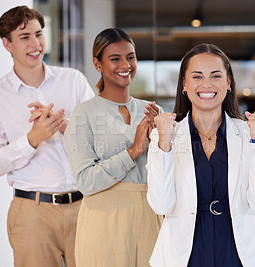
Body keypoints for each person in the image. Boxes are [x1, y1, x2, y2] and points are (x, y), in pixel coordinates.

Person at [146, 43, 255, 267]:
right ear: (185, 85)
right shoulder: (165, 134)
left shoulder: (250, 133)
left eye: (215, 76)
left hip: (238, 252)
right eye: (197, 77)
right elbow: (161, 206)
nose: (206, 84)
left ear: (228, 83)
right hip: (185, 253)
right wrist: (164, 145)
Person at [0, 5, 95, 267]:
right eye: (24, 37)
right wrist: (32, 139)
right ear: (7, 44)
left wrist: (64, 126)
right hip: (32, 214)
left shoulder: (74, 81)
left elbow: (100, 140)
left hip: (86, 208)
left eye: (39, 34)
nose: (35, 44)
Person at [64, 28, 163, 267]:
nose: (125, 64)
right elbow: (85, 181)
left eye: (130, 57)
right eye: (115, 58)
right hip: (104, 220)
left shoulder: (151, 111)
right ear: (98, 64)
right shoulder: (83, 114)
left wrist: (163, 141)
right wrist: (133, 151)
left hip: (152, 216)